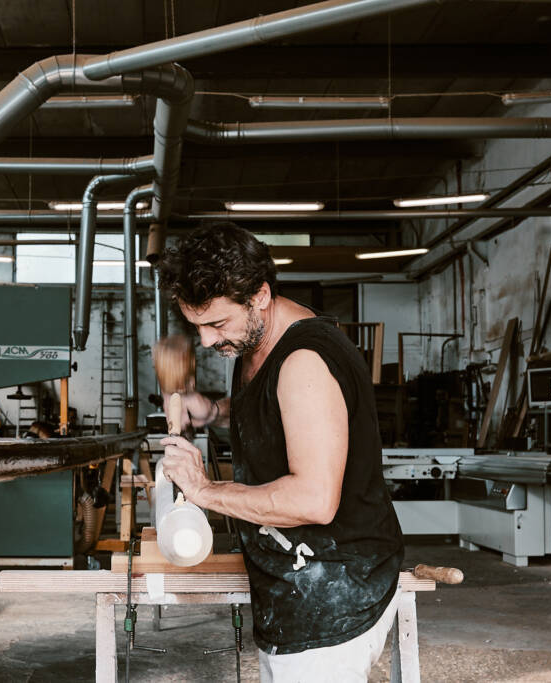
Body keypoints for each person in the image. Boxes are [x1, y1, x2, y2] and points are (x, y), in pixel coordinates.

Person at [156, 222, 405, 682]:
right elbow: (273, 410)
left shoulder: (304, 362)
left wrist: (204, 489)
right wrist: (213, 411)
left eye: (216, 323)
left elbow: (313, 500)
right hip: (294, 583)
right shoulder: (258, 339)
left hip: (333, 592)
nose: (208, 340)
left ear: (261, 297)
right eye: (198, 326)